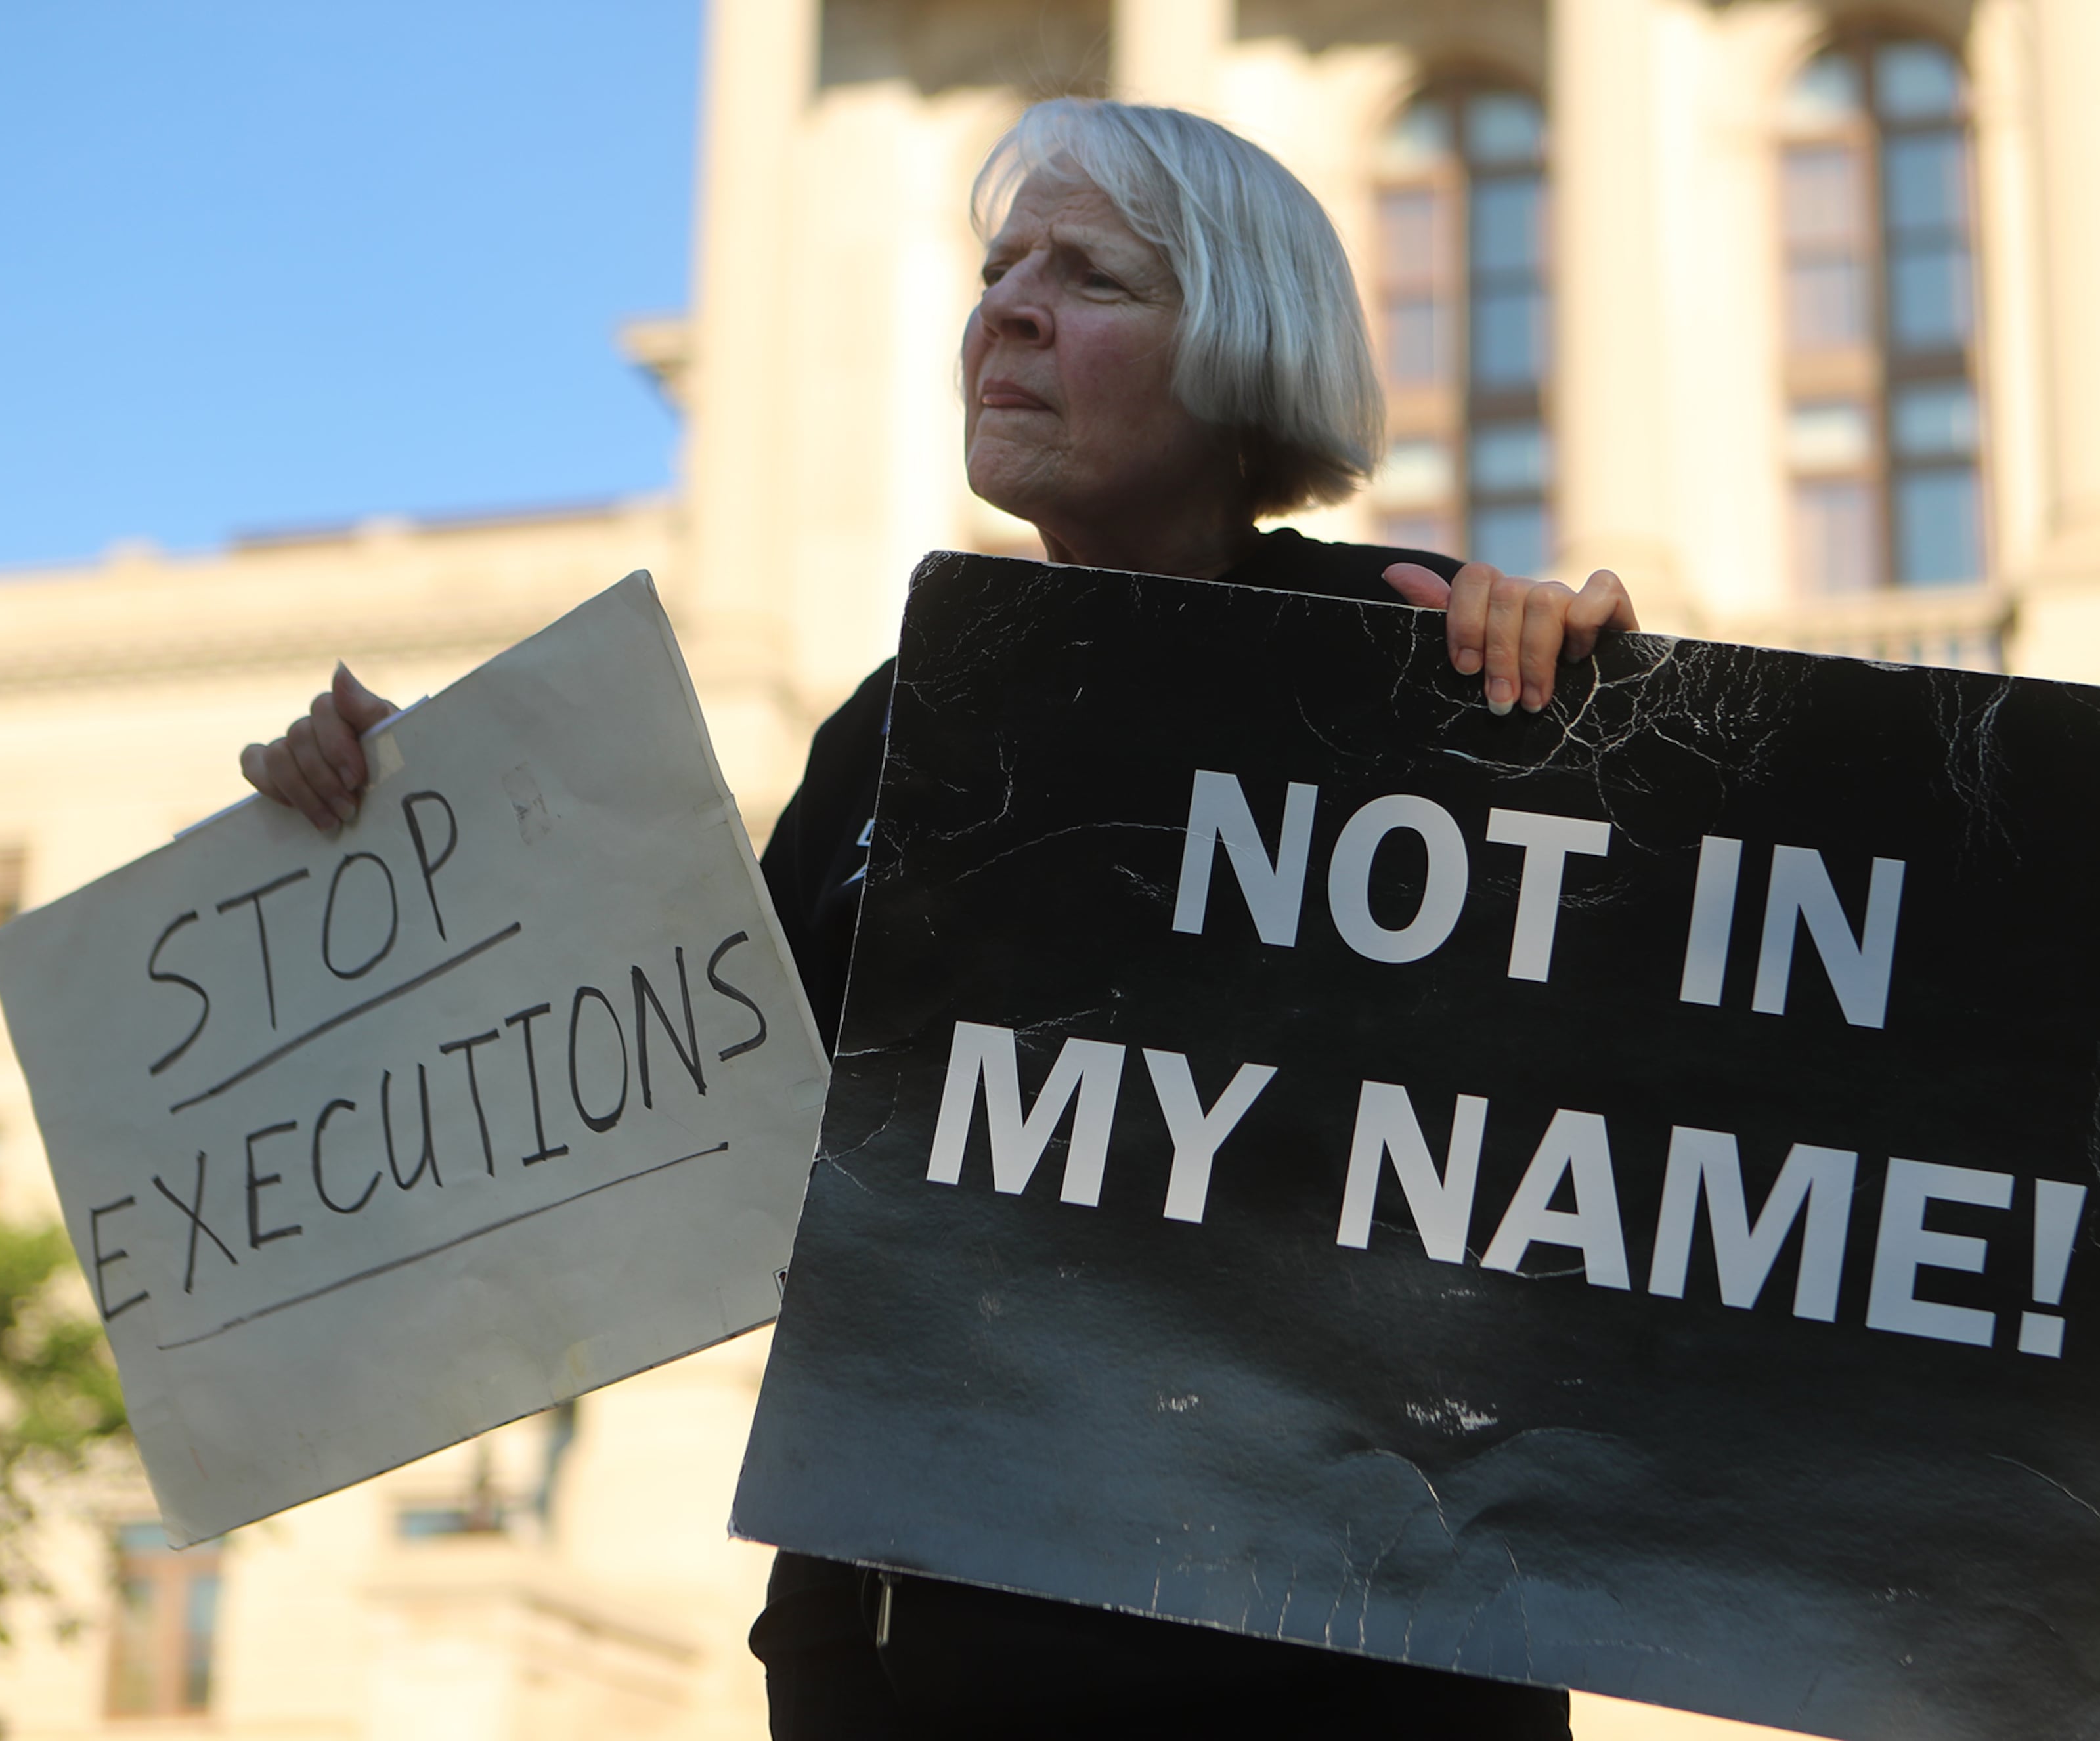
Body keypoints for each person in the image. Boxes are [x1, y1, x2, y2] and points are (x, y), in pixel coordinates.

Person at [244, 97, 1635, 1741]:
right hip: (927, 1670)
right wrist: (400, 848)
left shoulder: (1425, 671)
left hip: (1353, 1680)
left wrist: (1637, 747)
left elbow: (1652, 1125)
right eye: (998, 267)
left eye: (1092, 277)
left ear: (1244, 345)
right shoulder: (892, 729)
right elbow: (697, 1121)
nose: (1011, 310)